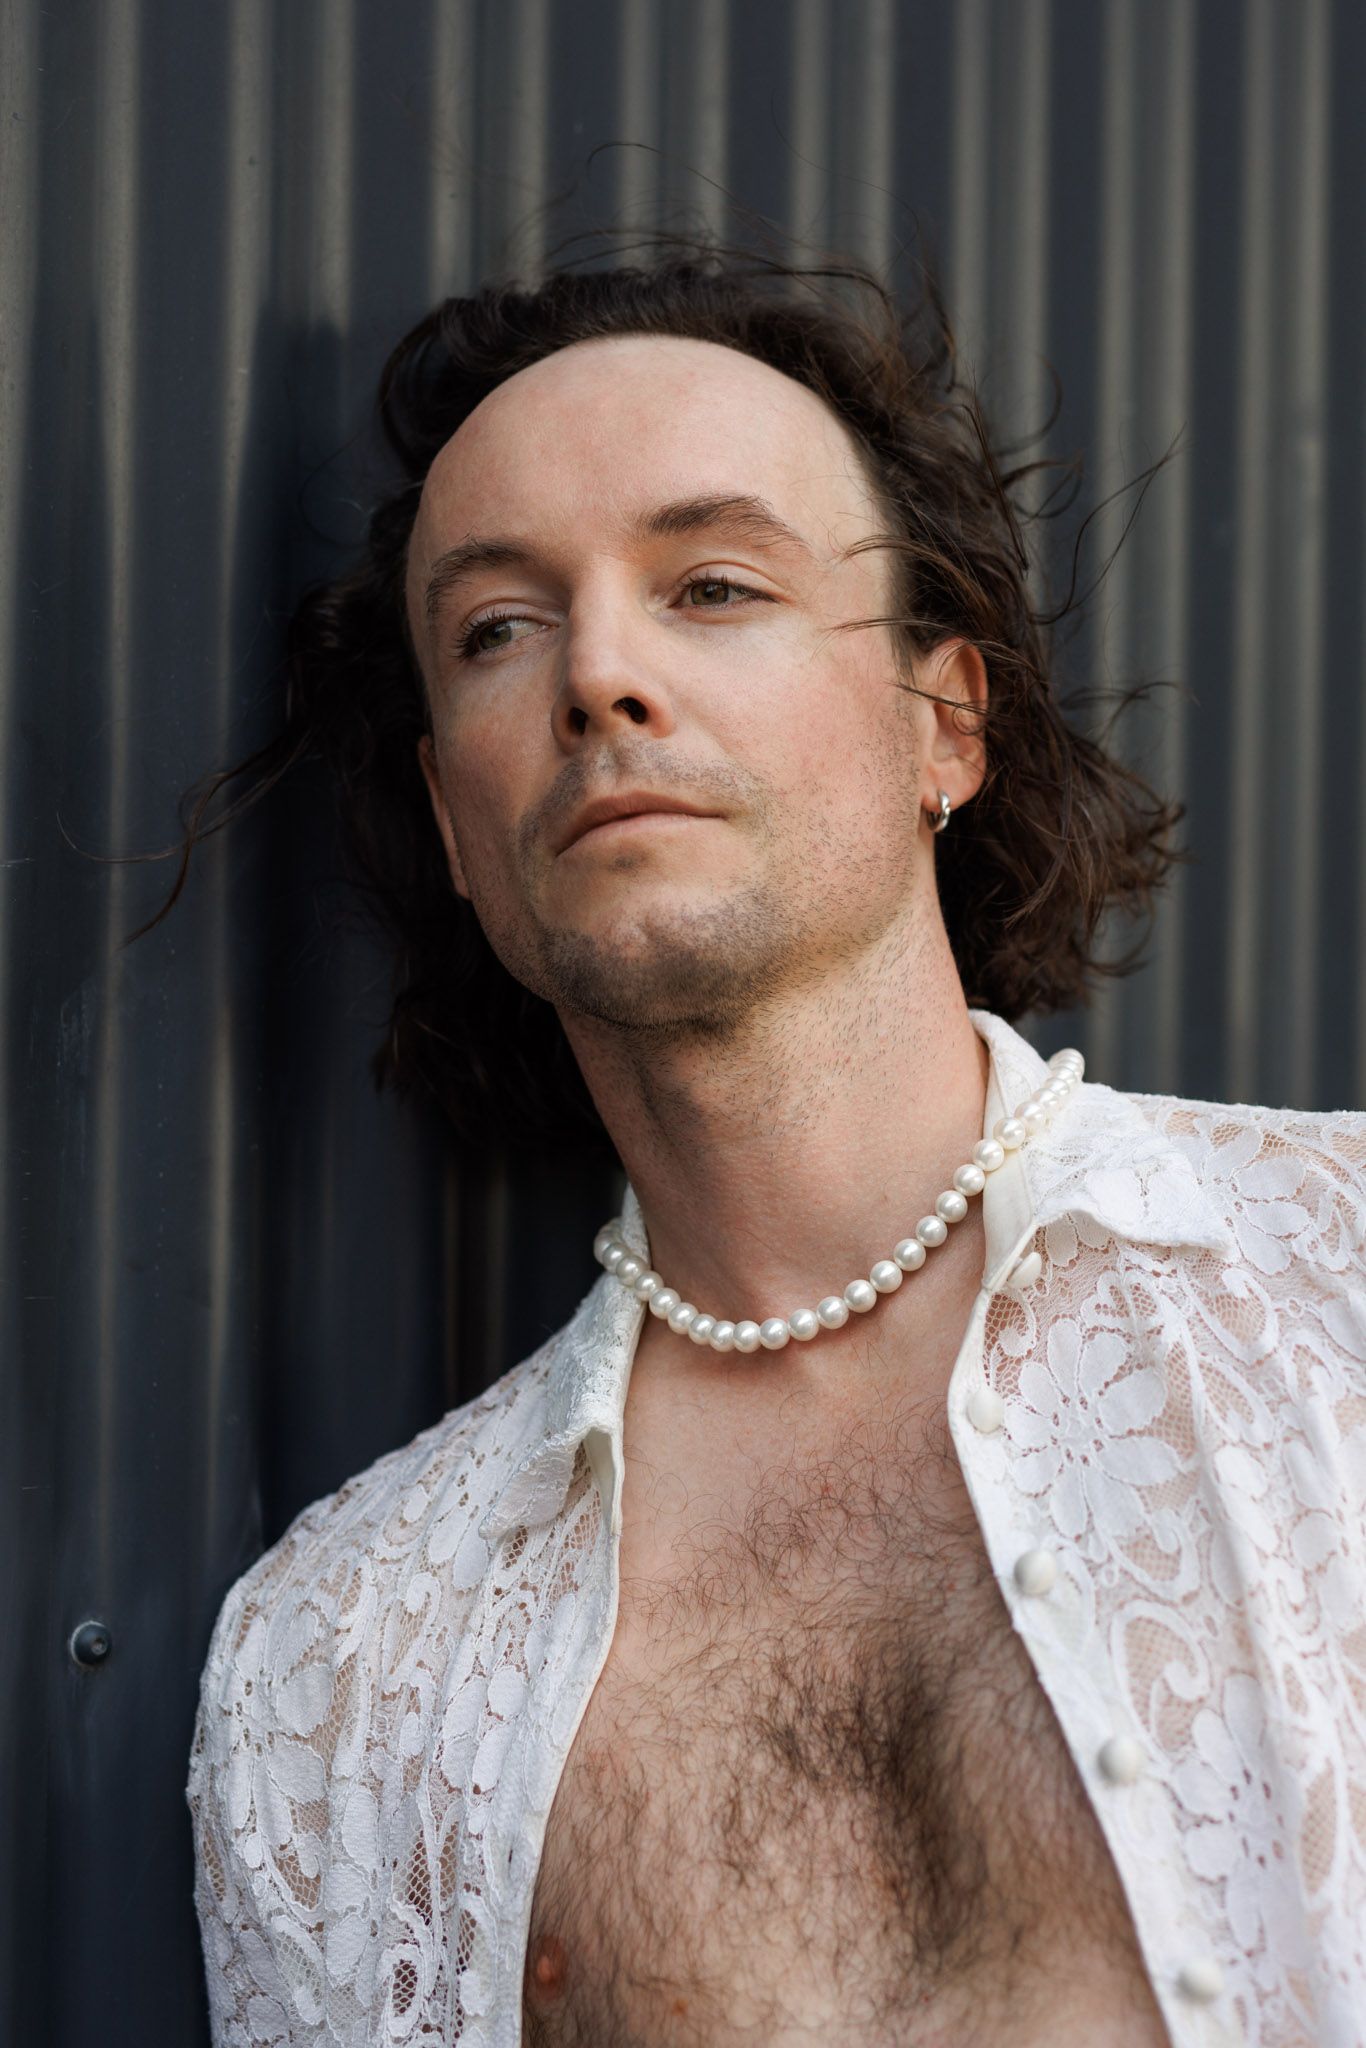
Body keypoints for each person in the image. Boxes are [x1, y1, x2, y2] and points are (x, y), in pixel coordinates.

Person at [183, 239, 1366, 2048]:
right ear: (452, 821)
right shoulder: (336, 1674)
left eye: (713, 585)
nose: (598, 674)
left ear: (943, 721)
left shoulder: (1335, 1285)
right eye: (496, 628)